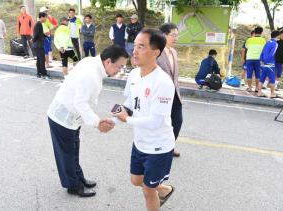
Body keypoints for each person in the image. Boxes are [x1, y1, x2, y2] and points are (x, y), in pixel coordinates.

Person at [47, 45, 128, 197]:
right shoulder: (91, 74)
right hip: (62, 118)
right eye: (120, 66)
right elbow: (80, 103)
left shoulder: (93, 62)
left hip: (72, 117)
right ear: (109, 62)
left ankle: (79, 178)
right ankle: (74, 186)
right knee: (67, 154)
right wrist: (97, 122)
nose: (120, 70)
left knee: (73, 150)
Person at [114, 29, 175, 211]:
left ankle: (156, 190)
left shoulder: (163, 82)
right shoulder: (134, 74)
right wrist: (114, 120)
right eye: (135, 45)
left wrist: (127, 120)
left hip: (158, 147)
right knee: (136, 180)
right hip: (140, 142)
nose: (134, 50)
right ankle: (164, 189)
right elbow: (129, 102)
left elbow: (155, 122)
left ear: (156, 52)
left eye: (141, 47)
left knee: (148, 191)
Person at [157, 23, 182, 158]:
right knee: (162, 123)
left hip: (175, 94)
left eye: (177, 35)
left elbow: (174, 75)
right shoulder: (156, 52)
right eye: (173, 35)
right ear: (164, 35)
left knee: (177, 120)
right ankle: (162, 148)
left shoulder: (173, 51)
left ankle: (169, 146)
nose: (176, 38)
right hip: (161, 94)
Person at [257, 30, 280, 98]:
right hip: (270, 64)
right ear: (277, 35)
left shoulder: (267, 42)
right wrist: (267, 61)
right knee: (272, 79)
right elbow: (272, 53)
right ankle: (272, 94)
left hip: (263, 63)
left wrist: (261, 60)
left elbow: (262, 51)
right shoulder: (275, 43)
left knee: (262, 78)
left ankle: (259, 92)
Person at [245, 26, 266, 92]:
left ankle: (249, 88)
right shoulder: (263, 40)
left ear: (255, 32)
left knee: (249, 74)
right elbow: (264, 50)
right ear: (261, 32)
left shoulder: (249, 40)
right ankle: (257, 88)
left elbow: (247, 47)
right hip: (258, 59)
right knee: (258, 74)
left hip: (249, 59)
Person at [32, 12, 50, 79]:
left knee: (39, 60)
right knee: (42, 60)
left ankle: (39, 73)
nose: (46, 19)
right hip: (38, 45)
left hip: (38, 45)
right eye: (45, 17)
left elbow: (40, 34)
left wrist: (45, 35)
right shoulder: (38, 24)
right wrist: (32, 41)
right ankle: (43, 74)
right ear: (41, 17)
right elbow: (36, 35)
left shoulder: (39, 24)